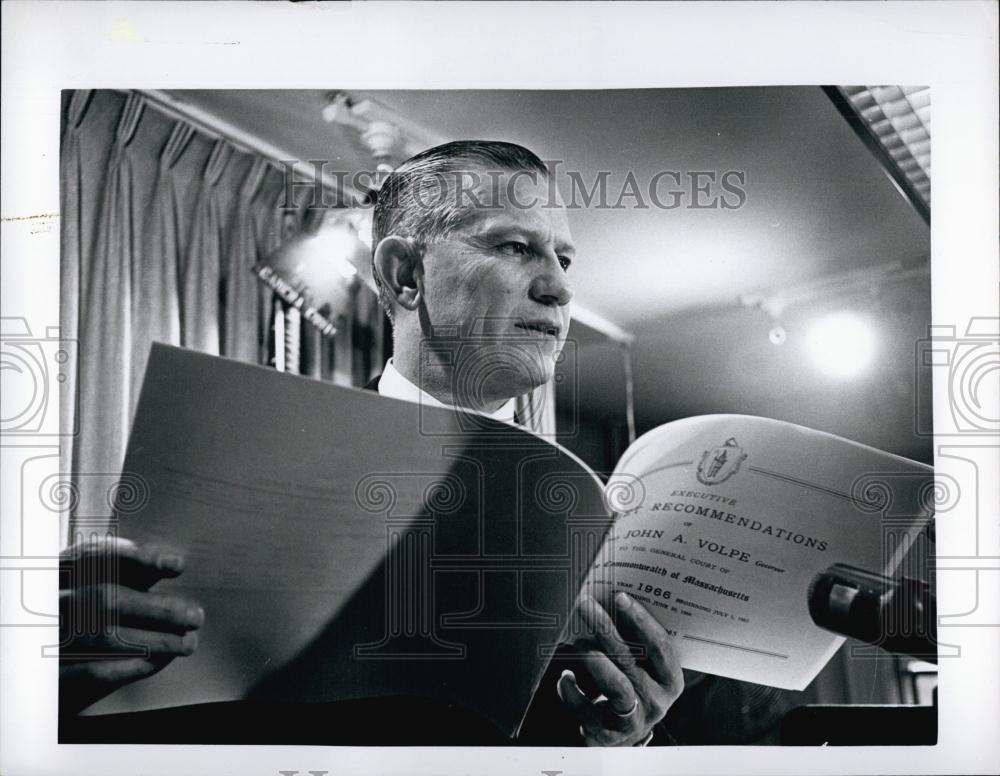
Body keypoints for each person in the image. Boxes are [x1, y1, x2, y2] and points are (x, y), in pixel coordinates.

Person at [59, 140, 683, 746]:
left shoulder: (587, 525)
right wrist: (53, 691)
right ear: (405, 274)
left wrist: (623, 742)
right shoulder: (243, 465)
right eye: (516, 246)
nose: (559, 288)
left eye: (564, 259)